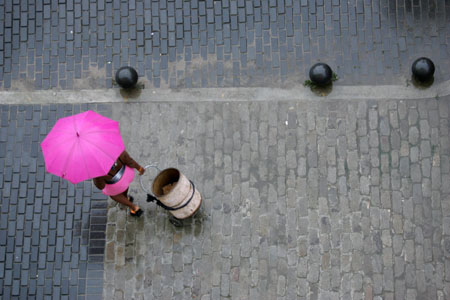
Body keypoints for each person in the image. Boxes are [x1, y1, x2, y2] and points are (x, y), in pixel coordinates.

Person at [93, 150, 145, 217]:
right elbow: (130, 161)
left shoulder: (97, 171)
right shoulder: (117, 150)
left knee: (113, 194)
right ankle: (126, 197)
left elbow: (100, 186)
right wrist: (139, 168)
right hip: (127, 175)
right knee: (124, 186)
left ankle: (134, 207)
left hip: (115, 185)